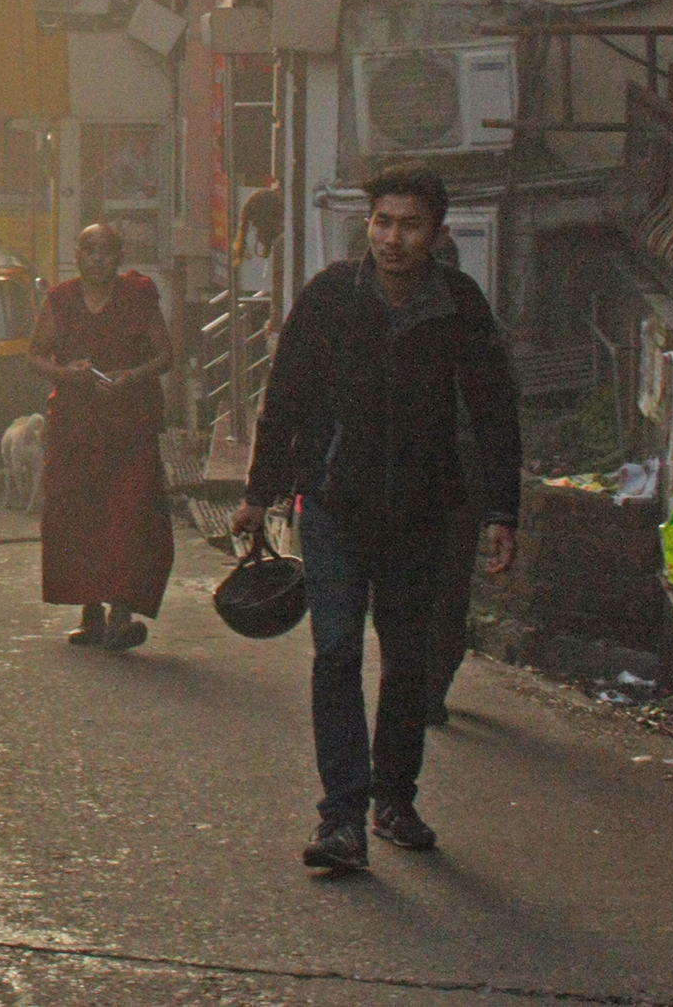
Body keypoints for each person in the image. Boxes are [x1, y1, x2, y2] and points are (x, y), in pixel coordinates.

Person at [231, 164, 521, 876]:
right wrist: (259, 491)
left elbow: (492, 408)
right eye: (382, 222)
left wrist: (501, 508)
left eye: (409, 225)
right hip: (333, 505)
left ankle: (393, 797)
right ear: (369, 225)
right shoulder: (331, 295)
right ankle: (341, 818)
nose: (393, 238)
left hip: (422, 513)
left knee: (406, 660)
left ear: (435, 234)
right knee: (335, 656)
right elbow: (287, 393)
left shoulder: (457, 305)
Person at [26, 222, 172, 654]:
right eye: (89, 249)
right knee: (79, 517)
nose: (97, 258)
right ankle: (91, 614)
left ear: (119, 256)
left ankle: (122, 615)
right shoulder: (60, 300)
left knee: (130, 516)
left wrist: (132, 376)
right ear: (76, 253)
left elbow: (166, 355)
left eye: (106, 250)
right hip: (77, 427)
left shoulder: (138, 298)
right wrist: (66, 374)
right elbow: (34, 356)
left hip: (129, 428)